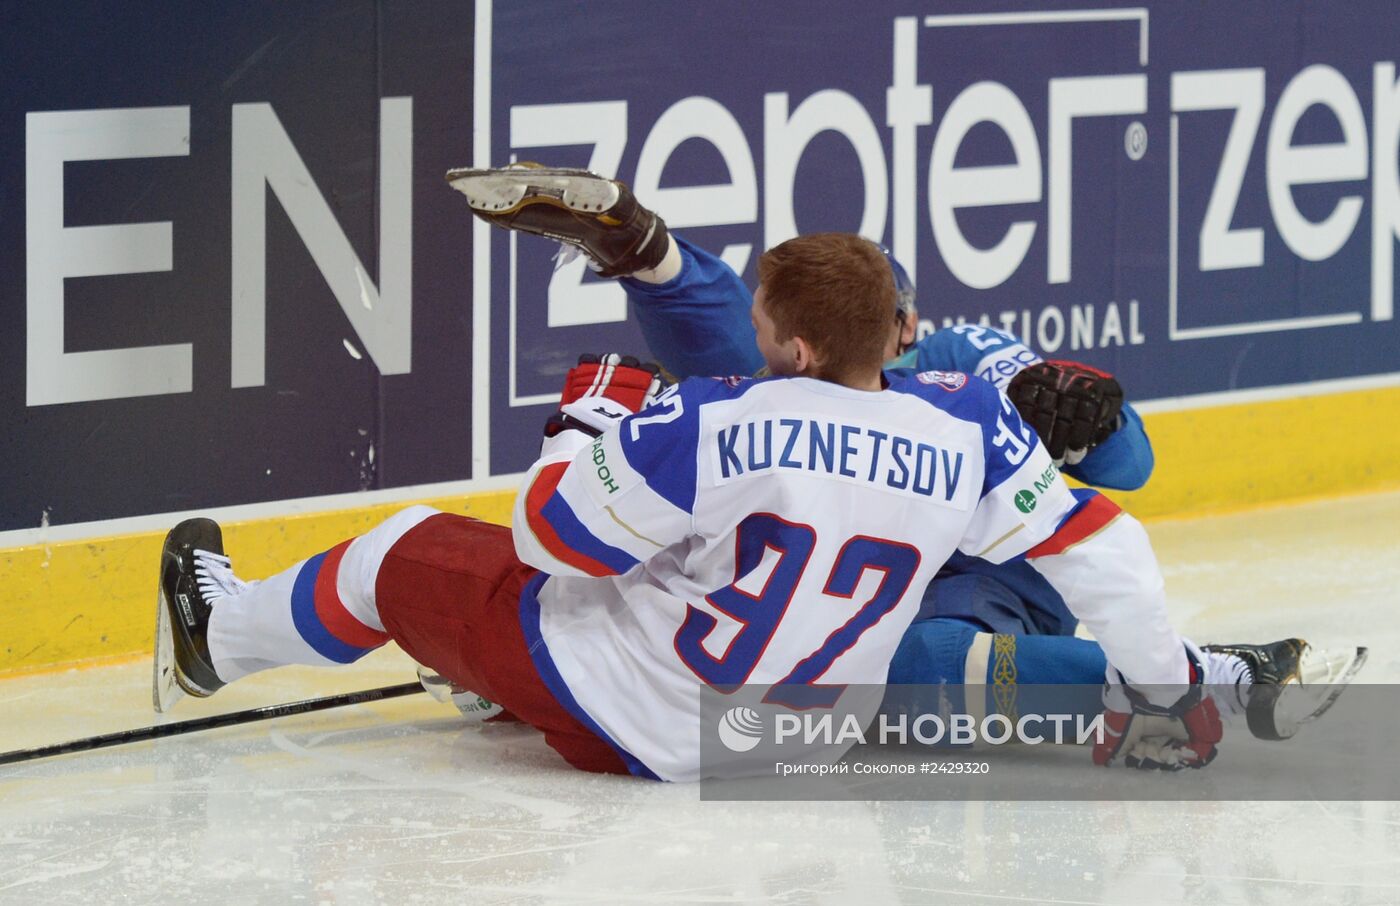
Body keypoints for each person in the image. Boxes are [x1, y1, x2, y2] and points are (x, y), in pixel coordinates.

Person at [156, 232, 1226, 779]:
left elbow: (551, 539)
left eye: (760, 314)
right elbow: (1113, 548)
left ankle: (215, 641)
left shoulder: (720, 413)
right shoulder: (967, 422)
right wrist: (1167, 682)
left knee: (400, 553)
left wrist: (584, 424)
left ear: (795, 343)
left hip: (647, 727)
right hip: (799, 741)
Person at [446, 164, 1365, 743]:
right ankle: (651, 257)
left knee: (918, 665)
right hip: (826, 601)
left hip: (972, 597)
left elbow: (1130, 473)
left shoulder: (964, 361)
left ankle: (1200, 679)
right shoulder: (785, 386)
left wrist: (1085, 418)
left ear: (906, 325)